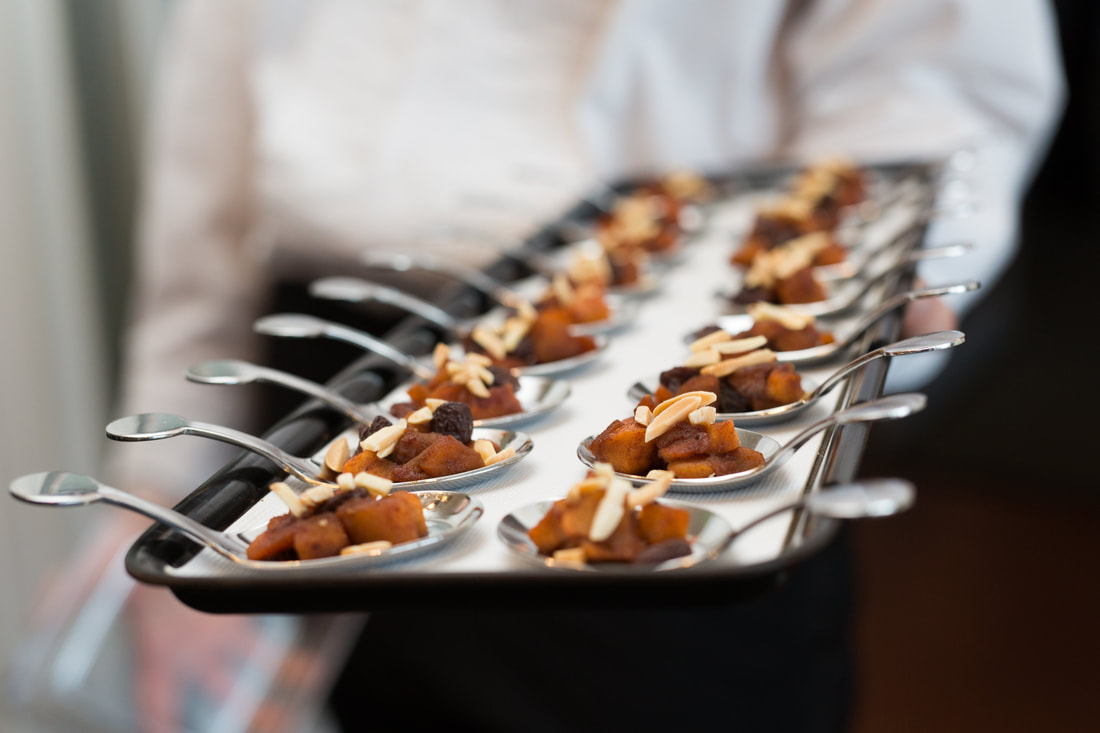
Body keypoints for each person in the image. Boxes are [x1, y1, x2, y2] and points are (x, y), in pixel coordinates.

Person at [92, 1, 1063, 730]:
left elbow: (924, 88)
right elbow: (206, 158)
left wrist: (863, 296)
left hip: (688, 339)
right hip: (319, 372)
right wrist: (168, 490)